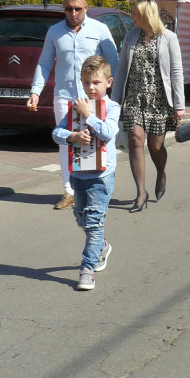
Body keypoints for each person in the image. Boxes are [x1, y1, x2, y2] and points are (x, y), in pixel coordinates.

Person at [28, 0, 120, 210]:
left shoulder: (100, 29)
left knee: (98, 138)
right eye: (69, 9)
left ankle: (95, 183)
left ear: (86, 8)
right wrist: (36, 91)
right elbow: (45, 63)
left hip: (95, 98)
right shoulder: (55, 32)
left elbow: (114, 62)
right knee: (67, 141)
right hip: (65, 95)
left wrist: (116, 94)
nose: (73, 13)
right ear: (64, 8)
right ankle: (69, 191)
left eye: (78, 8)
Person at [51, 55, 120, 291]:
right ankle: (101, 246)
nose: (91, 87)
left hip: (101, 175)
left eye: (96, 83)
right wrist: (73, 136)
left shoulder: (111, 107)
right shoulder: (75, 107)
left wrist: (89, 115)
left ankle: (87, 269)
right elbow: (56, 133)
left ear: (108, 82)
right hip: (79, 173)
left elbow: (109, 132)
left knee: (92, 222)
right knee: (81, 216)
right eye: (87, 82)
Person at [112, 0, 186, 212]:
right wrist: (116, 97)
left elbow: (176, 72)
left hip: (159, 101)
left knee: (155, 146)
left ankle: (161, 172)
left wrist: (179, 105)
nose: (132, 16)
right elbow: (121, 67)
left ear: (146, 15)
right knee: (135, 140)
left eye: (135, 13)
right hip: (134, 98)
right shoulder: (130, 36)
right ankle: (140, 193)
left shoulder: (169, 38)